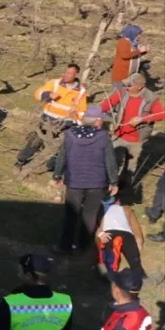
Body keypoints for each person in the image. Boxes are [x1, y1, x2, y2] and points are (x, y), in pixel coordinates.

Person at [53, 105, 118, 253]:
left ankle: (65, 246)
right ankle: (82, 246)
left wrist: (57, 174)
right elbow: (110, 161)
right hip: (97, 183)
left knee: (71, 215)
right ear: (97, 121)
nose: (102, 122)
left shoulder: (69, 134)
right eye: (101, 119)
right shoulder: (103, 136)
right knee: (90, 214)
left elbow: (62, 156)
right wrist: (113, 181)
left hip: (74, 182)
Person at [15, 64, 88, 176]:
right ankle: (20, 161)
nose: (66, 75)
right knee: (35, 142)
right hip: (48, 119)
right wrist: (47, 94)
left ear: (76, 75)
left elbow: (82, 111)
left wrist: (74, 122)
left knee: (60, 147)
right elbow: (37, 93)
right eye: (65, 72)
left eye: (69, 73)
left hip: (65, 124)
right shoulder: (54, 83)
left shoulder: (81, 91)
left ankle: (51, 167)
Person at [99, 73, 163, 183]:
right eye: (125, 85)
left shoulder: (151, 98)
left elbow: (161, 114)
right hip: (119, 134)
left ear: (139, 87)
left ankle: (125, 188)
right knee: (112, 161)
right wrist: (94, 114)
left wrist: (142, 118)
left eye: (129, 86)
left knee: (130, 166)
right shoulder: (122, 92)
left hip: (137, 139)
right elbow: (106, 105)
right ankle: (109, 184)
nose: (126, 88)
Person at [96, 191, 145, 278]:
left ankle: (108, 273)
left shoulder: (124, 209)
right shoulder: (124, 209)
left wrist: (100, 234)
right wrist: (138, 239)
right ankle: (139, 274)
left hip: (113, 232)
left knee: (110, 253)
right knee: (133, 257)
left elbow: (99, 227)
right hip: (122, 232)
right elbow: (135, 225)